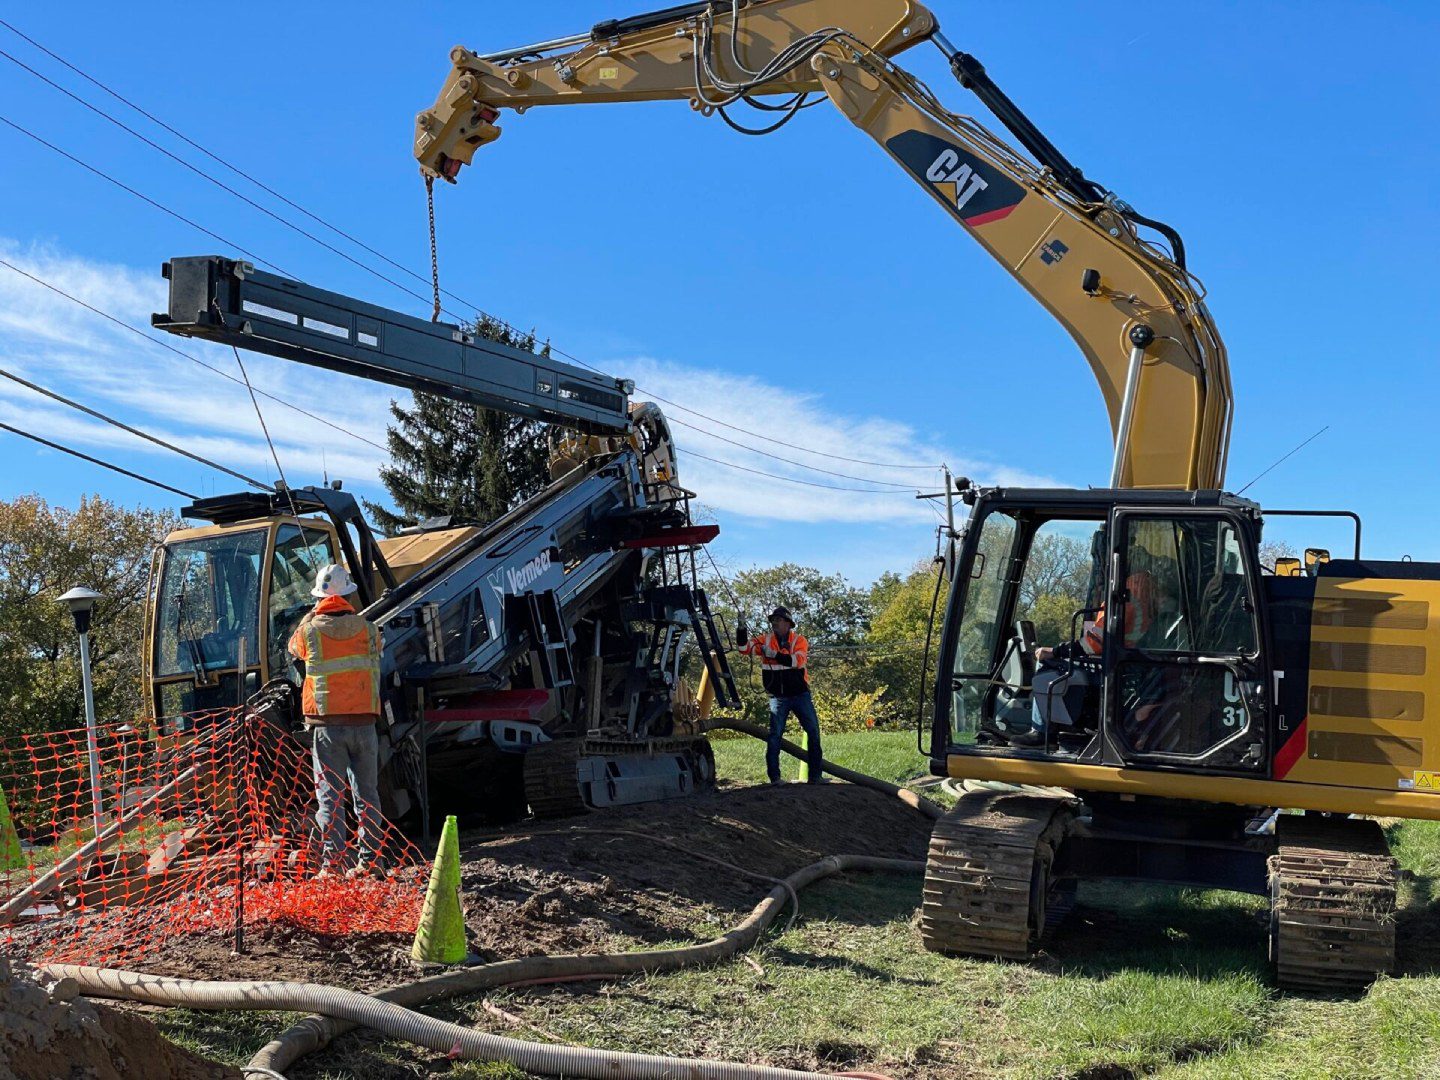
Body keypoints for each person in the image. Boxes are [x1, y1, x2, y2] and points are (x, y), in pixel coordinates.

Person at [287, 563, 384, 876]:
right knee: (367, 795)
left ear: (320, 597)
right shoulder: (368, 628)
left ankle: (333, 867)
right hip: (365, 724)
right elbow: (376, 649)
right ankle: (371, 863)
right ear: (348, 594)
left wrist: (310, 616)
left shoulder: (309, 631)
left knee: (330, 797)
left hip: (327, 727)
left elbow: (292, 649)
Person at [736, 606, 823, 785]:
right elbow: (743, 648)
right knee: (775, 735)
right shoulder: (764, 640)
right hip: (777, 697)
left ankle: (815, 776)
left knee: (813, 731)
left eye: (778, 620)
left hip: (800, 695)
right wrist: (741, 627)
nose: (774, 623)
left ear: (787, 623)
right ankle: (775, 778)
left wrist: (774, 655)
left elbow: (796, 661)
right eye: (773, 620)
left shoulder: (799, 640)